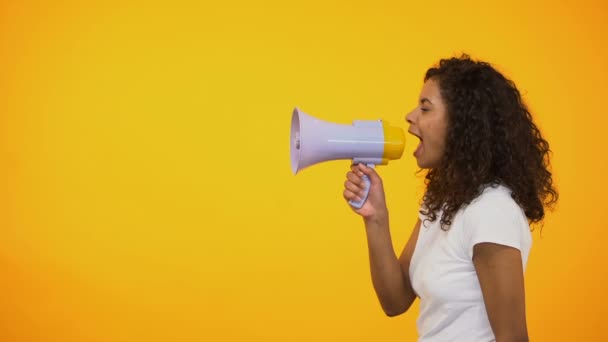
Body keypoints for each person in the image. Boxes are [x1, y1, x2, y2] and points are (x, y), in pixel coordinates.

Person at [342, 55, 558, 342]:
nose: (410, 116)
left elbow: (513, 338)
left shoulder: (492, 210)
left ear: (462, 124)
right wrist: (375, 217)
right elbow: (395, 300)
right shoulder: (442, 203)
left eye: (425, 108)